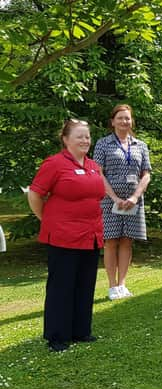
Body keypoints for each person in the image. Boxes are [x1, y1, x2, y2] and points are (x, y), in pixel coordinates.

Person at [28, 119, 105, 351]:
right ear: (66, 139)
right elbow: (35, 195)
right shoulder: (54, 164)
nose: (85, 140)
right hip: (63, 236)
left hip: (90, 235)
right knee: (62, 286)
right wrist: (49, 220)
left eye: (87, 136)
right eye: (79, 136)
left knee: (85, 284)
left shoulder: (93, 165)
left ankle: (81, 331)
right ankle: (57, 336)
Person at [93, 104, 151, 301]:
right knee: (111, 242)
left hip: (134, 200)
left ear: (131, 121)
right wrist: (114, 198)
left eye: (127, 118)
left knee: (127, 240)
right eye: (120, 118)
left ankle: (122, 284)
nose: (124, 121)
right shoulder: (103, 144)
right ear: (113, 121)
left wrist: (135, 196)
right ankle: (111, 286)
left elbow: (146, 174)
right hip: (110, 201)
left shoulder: (140, 145)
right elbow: (98, 173)